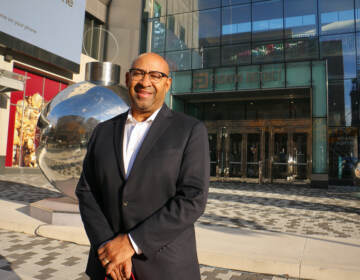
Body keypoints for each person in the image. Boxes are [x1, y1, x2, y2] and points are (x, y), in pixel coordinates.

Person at [76, 52, 210, 280]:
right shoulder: (103, 131)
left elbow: (192, 198)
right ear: (127, 79)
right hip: (108, 265)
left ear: (167, 84)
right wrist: (109, 247)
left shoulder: (189, 131)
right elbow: (87, 191)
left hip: (166, 267)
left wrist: (130, 243)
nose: (145, 82)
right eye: (138, 73)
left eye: (156, 76)